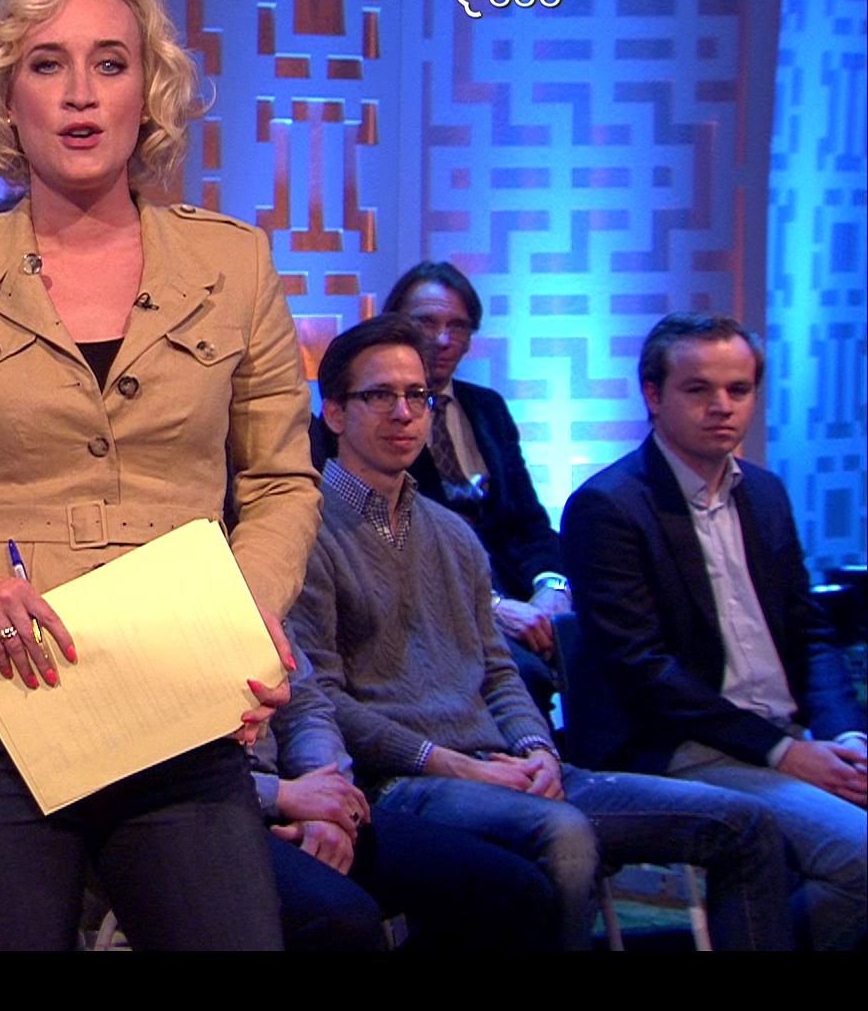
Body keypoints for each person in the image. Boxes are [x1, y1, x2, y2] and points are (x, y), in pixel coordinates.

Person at [0, 0, 322, 950]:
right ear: (7, 98)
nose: (82, 93)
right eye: (48, 64)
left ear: (151, 90)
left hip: (179, 693)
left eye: (111, 63)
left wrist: (247, 613)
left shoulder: (234, 263)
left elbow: (281, 482)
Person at [288, 315, 794, 950]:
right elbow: (322, 698)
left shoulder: (452, 533)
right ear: (335, 413)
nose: (404, 413)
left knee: (745, 823)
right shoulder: (305, 533)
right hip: (404, 780)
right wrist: (449, 763)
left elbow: (498, 671)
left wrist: (539, 752)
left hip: (503, 767)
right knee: (562, 834)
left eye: (417, 395)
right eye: (379, 396)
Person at [561, 312, 867, 949]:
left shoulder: (767, 493)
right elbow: (646, 671)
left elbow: (811, 633)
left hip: (787, 737)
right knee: (860, 857)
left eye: (739, 389)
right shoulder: (608, 506)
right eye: (699, 389)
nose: (722, 406)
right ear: (653, 394)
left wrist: (846, 736)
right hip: (684, 751)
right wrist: (784, 753)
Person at [255, 651, 560, 950]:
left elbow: (305, 708)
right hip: (240, 806)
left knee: (518, 892)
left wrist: (328, 796)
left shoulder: (266, 617)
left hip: (307, 791)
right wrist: (282, 794)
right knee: (344, 920)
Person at [377, 261, 566, 715]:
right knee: (525, 675)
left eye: (457, 327)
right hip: (435, 605)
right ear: (395, 326)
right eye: (426, 323)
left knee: (601, 650)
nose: (442, 339)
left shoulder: (488, 408)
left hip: (517, 589)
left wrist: (551, 587)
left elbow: (530, 522)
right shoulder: (376, 415)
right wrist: (494, 607)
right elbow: (395, 545)